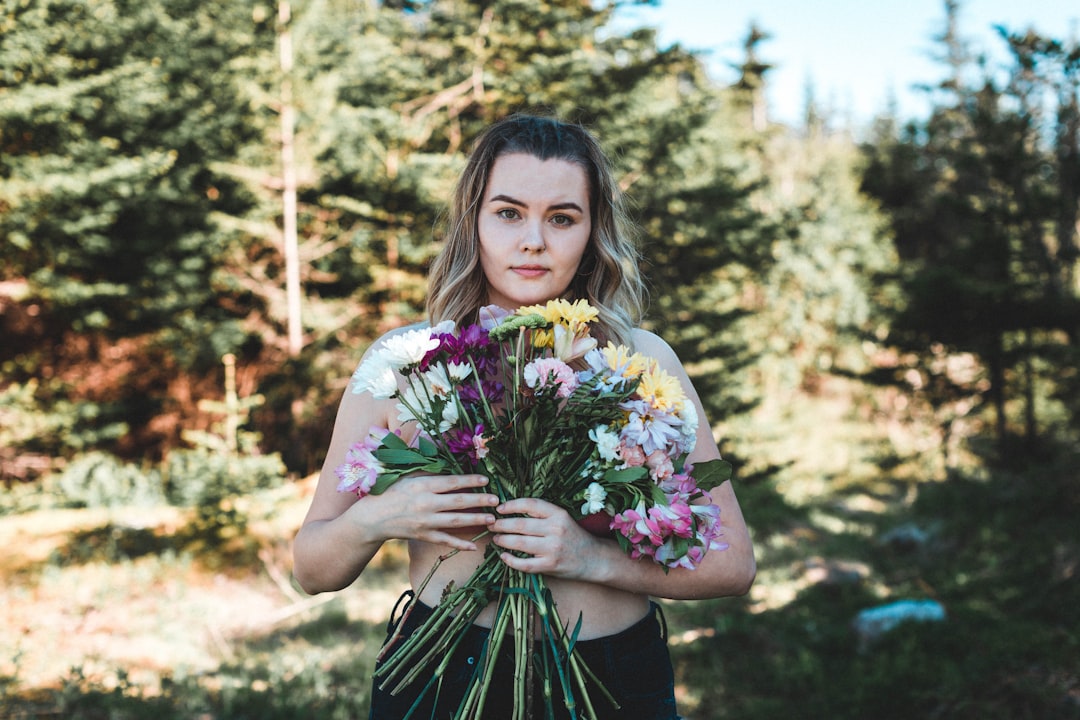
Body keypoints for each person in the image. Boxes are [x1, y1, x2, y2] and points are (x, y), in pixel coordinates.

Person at [292, 114, 756, 719]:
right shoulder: (404, 364)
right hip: (442, 676)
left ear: (592, 232)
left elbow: (732, 566)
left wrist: (588, 559)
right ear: (474, 224)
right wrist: (381, 515)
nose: (533, 240)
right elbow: (312, 569)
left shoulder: (640, 361)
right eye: (508, 213)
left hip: (612, 680)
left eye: (562, 218)